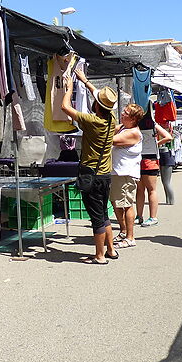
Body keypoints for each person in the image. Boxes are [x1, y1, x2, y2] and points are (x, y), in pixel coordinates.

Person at [61, 68, 117, 264]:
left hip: (91, 176)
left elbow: (64, 107)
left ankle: (100, 255)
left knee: (96, 218)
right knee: (103, 213)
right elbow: (98, 96)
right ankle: (111, 250)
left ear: (97, 106)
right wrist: (84, 80)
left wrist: (69, 88)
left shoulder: (92, 121)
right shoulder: (111, 119)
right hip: (105, 175)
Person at [110, 103, 144, 249]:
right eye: (123, 111)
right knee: (116, 204)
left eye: (126, 113)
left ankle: (130, 237)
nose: (122, 114)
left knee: (127, 205)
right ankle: (123, 231)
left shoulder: (133, 133)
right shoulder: (124, 127)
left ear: (134, 118)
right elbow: (111, 128)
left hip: (125, 174)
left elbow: (109, 139)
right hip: (117, 173)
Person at [135, 120, 172, 226]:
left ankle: (153, 217)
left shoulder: (153, 124)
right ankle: (139, 216)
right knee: (140, 189)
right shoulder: (134, 125)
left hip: (150, 159)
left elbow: (168, 136)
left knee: (151, 189)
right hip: (138, 159)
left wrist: (156, 144)